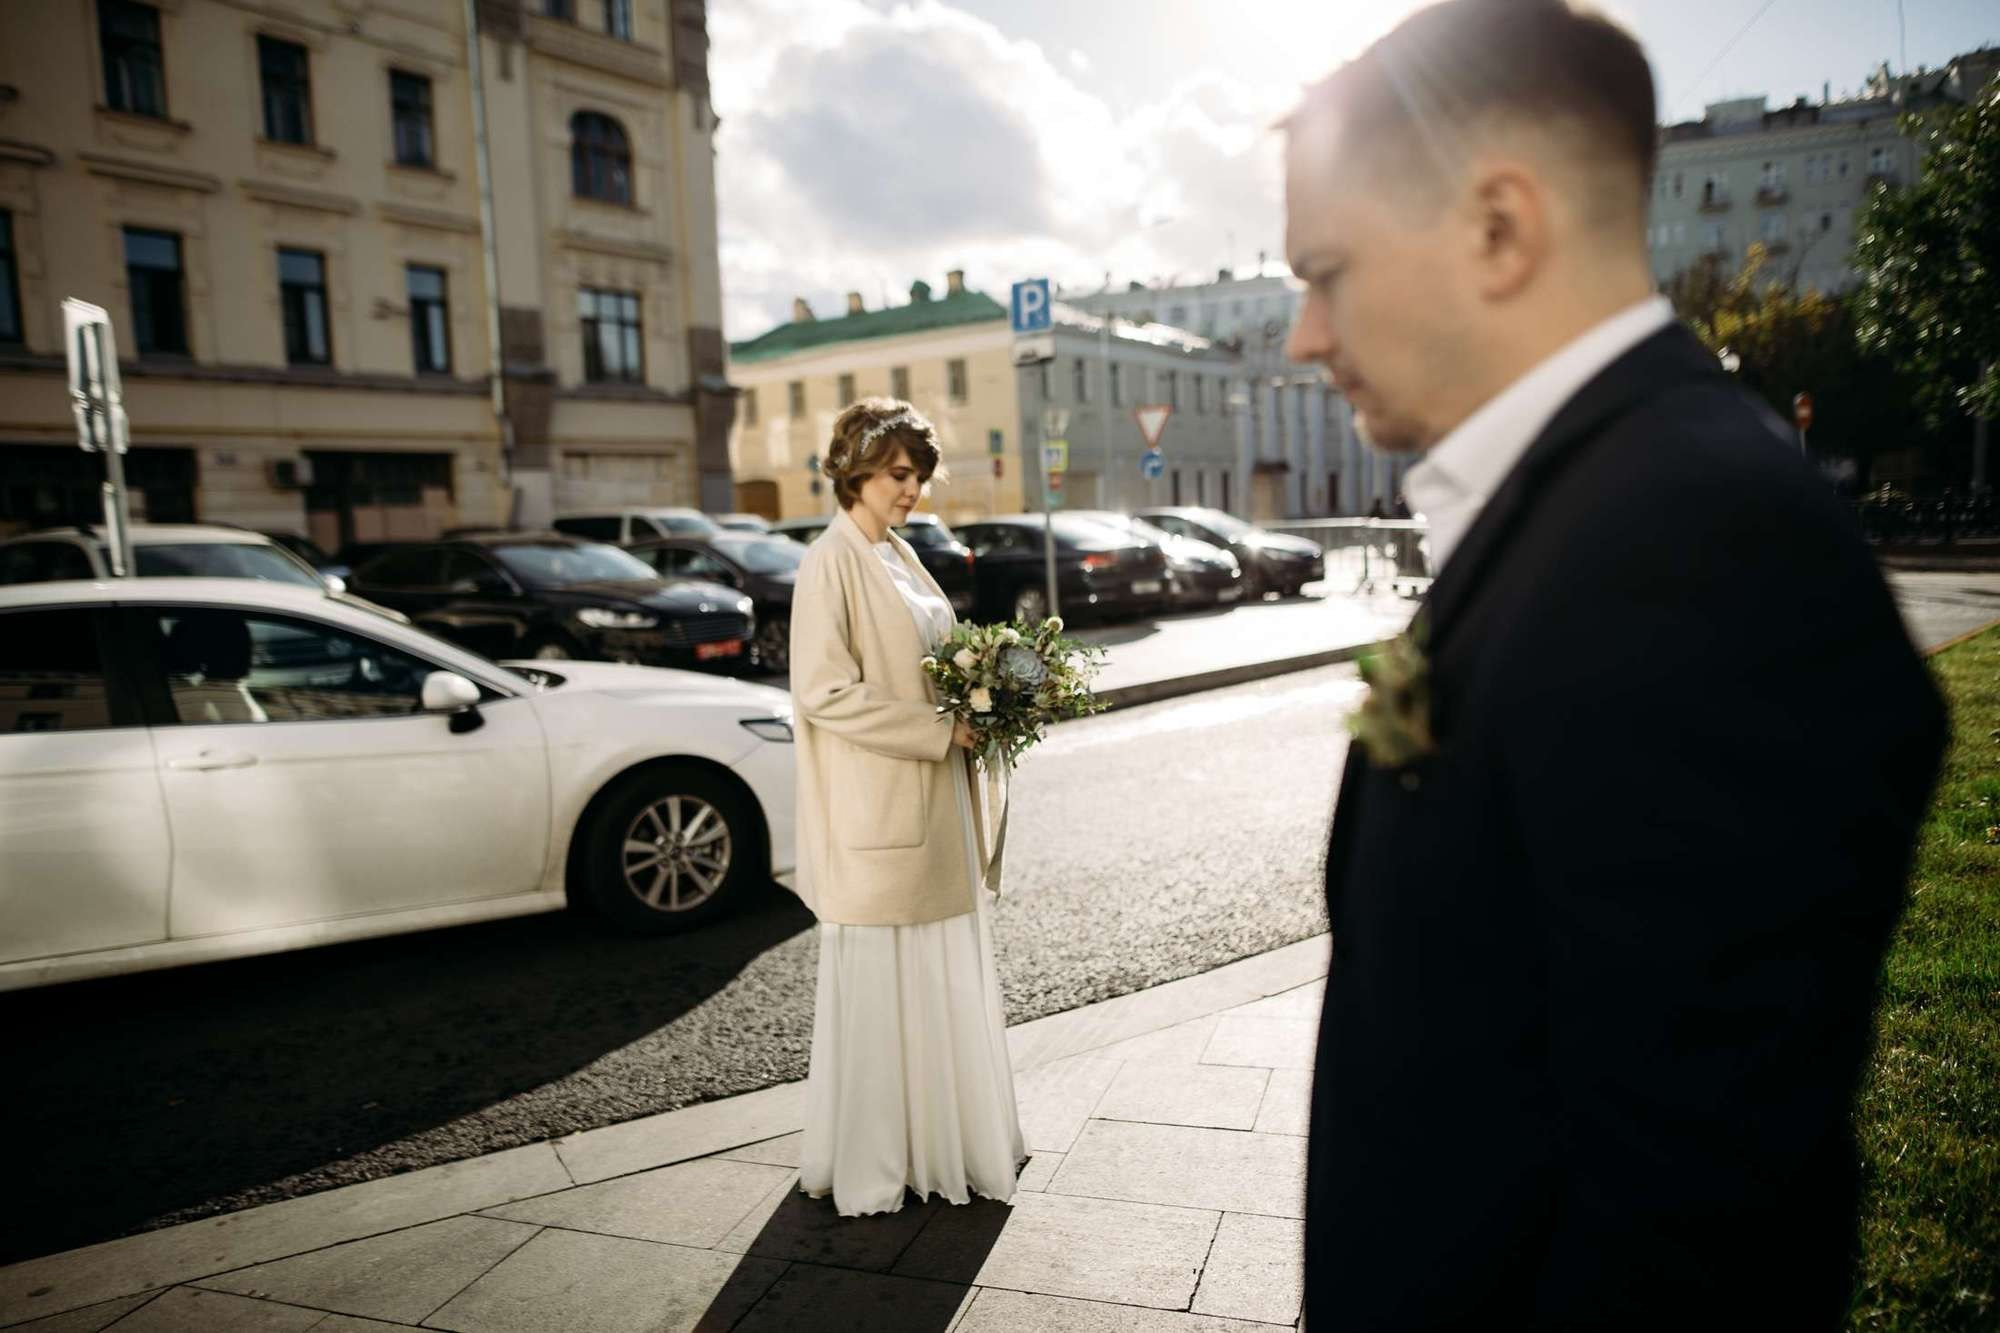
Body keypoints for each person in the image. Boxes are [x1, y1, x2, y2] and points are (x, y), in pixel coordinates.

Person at [1281, 3, 1946, 1327]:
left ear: (1500, 226)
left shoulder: (1701, 545)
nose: (1305, 332)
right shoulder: (1598, 497)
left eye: (1327, 268)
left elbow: (1694, 1228)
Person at [787, 397, 1023, 1217]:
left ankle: (944, 1142)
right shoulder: (832, 559)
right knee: (892, 984)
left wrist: (990, 688)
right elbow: (822, 692)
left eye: (919, 474)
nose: (912, 487)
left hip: (930, 801)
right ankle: (885, 1156)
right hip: (883, 805)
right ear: (854, 470)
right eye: (897, 473)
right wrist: (939, 726)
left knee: (936, 974)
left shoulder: (895, 552)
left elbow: (928, 658)